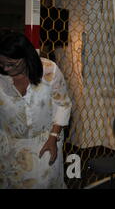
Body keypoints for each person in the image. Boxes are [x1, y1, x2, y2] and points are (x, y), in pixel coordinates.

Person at [0, 31, 72, 188]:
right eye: (2, 64)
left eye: (11, 64)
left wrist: (53, 137)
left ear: (26, 57)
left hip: (45, 143)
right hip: (8, 148)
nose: (6, 68)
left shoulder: (48, 70)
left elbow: (63, 104)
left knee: (44, 182)